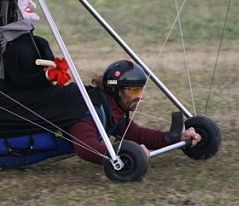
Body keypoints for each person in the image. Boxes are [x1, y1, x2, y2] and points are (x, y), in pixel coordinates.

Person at [67, 60, 202, 164]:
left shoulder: (112, 108)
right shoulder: (89, 111)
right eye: (135, 90)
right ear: (115, 90)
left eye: (141, 89)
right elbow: (87, 148)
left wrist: (176, 138)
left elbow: (137, 135)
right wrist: (126, 152)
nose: (141, 96)